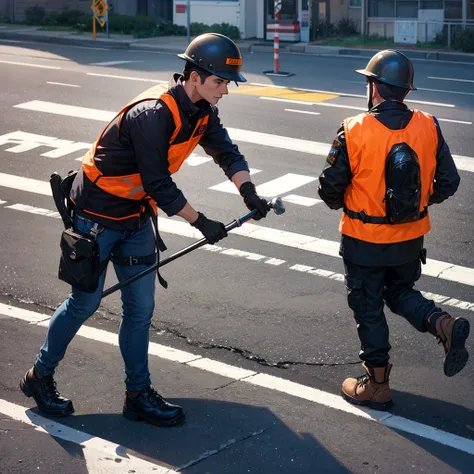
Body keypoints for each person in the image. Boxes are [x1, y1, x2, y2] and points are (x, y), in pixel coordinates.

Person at [20, 33, 269, 426]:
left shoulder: (203, 110)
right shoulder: (153, 113)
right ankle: (39, 376)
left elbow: (226, 151)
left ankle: (137, 395)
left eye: (227, 83)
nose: (224, 90)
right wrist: (201, 222)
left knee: (140, 311)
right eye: (219, 82)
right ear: (193, 76)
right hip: (96, 219)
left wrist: (248, 190)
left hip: (136, 218)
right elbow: (158, 183)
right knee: (84, 304)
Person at [318, 50, 470, 411]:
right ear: (404, 90)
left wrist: (354, 201)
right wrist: (414, 204)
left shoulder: (353, 128)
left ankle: (377, 386)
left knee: (368, 308)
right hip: (410, 237)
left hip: (363, 240)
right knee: (400, 291)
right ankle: (442, 323)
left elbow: (328, 190)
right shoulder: (428, 124)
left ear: (374, 87)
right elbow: (449, 181)